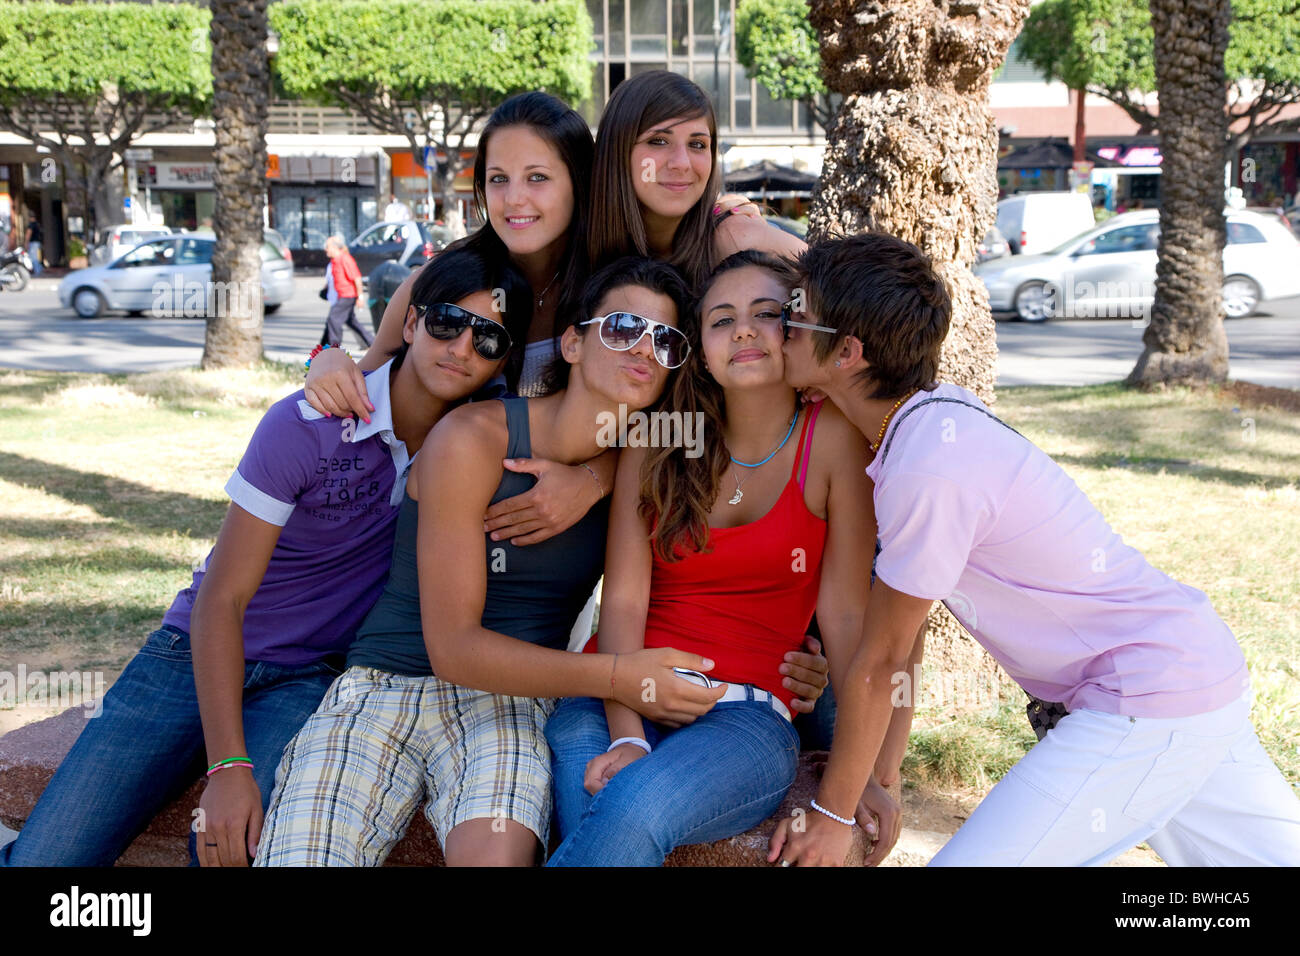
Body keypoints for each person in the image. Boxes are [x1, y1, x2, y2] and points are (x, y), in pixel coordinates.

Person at [253, 257, 825, 866]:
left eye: (665, 340)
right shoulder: (473, 438)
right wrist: (617, 676)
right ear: (573, 342)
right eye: (623, 327)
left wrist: (594, 478)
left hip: (512, 706)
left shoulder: (643, 463)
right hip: (388, 684)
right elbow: (453, 649)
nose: (644, 350)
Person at [770, 232, 1300, 867]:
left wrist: (831, 813)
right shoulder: (931, 420)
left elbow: (881, 659)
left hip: (1142, 699)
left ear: (849, 353)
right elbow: (903, 631)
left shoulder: (926, 466)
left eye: (793, 316)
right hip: (1194, 675)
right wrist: (876, 775)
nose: (781, 327)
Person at [0, 244, 529, 868]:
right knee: (51, 860)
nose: (462, 348)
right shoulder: (308, 422)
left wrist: (594, 481)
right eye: (445, 321)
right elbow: (222, 598)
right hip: (191, 656)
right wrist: (227, 765)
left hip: (310, 677)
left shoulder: (478, 444)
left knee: (230, 851)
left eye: (488, 337)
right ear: (409, 324)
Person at [544, 251, 914, 867]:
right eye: (720, 320)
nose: (742, 329)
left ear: (797, 334)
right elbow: (626, 599)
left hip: (744, 715)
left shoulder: (831, 441)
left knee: (632, 809)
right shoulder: (659, 438)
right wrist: (630, 733)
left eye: (766, 314)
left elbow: (847, 618)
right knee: (599, 803)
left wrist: (866, 774)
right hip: (612, 695)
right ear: (701, 349)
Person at [587, 69, 805, 289]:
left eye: (697, 144)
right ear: (616, 151)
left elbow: (836, 287)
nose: (682, 163)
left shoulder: (734, 238)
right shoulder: (575, 242)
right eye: (659, 141)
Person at [320, 235, 374, 350]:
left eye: (328, 247)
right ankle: (372, 342)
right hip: (342, 295)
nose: (326, 249)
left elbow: (357, 278)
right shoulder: (334, 261)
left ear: (335, 248)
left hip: (348, 296)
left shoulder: (345, 259)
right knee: (351, 322)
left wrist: (360, 297)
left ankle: (334, 347)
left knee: (334, 319)